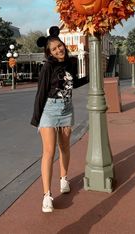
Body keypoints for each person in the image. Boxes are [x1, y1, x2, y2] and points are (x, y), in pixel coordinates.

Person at [31, 26, 76, 213]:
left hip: (66, 109)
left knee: (64, 147)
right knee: (48, 152)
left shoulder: (71, 63)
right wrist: (37, 120)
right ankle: (46, 195)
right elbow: (40, 93)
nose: (59, 49)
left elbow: (73, 82)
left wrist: (93, 77)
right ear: (49, 52)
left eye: (60, 46)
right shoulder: (48, 67)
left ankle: (64, 179)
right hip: (50, 110)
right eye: (54, 49)